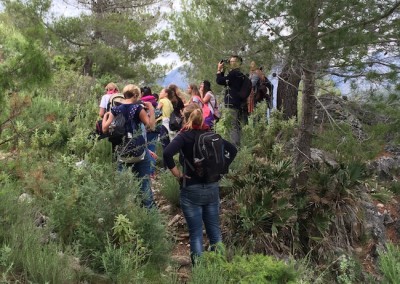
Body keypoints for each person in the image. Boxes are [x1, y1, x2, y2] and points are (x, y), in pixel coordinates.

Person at [163, 103, 237, 265]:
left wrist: (178, 175)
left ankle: (199, 271)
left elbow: (167, 153)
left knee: (196, 233)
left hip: (191, 188)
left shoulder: (184, 136)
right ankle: (220, 266)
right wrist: (222, 169)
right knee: (215, 233)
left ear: (185, 118)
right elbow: (233, 150)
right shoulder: (210, 134)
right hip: (212, 187)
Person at [102, 84, 156, 209]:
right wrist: (151, 110)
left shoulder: (115, 109)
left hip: (122, 151)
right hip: (139, 151)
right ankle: (148, 212)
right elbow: (150, 126)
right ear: (136, 95)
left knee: (121, 185)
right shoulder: (138, 108)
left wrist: (105, 116)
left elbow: (105, 128)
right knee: (144, 183)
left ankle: (121, 211)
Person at [216, 55, 248, 147]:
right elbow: (225, 81)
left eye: (232, 61)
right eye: (230, 61)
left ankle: (234, 146)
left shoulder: (233, 74)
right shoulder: (240, 74)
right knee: (237, 125)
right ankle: (238, 145)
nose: (230, 63)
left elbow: (219, 81)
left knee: (232, 125)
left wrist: (219, 69)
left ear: (238, 63)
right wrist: (223, 71)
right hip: (238, 103)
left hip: (231, 103)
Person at [157, 88, 174, 167]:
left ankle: (165, 166)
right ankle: (169, 165)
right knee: (167, 146)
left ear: (166, 94)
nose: (160, 94)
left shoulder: (162, 101)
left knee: (164, 146)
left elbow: (156, 112)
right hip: (169, 125)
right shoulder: (170, 102)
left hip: (163, 124)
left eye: (161, 92)